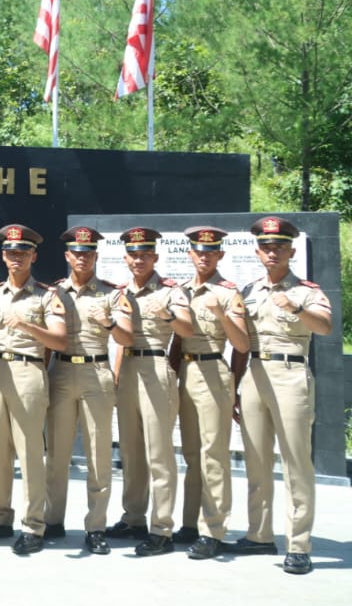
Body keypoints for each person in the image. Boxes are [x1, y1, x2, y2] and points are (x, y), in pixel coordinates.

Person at [232, 216, 332, 575]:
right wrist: (234, 385)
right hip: (255, 375)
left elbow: (325, 326)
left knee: (296, 464)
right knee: (256, 459)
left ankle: (299, 544)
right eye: (266, 246)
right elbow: (242, 345)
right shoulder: (249, 291)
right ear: (258, 251)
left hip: (291, 375)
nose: (272, 252)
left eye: (279, 246)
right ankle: (259, 535)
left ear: (291, 250)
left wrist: (298, 309)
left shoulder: (305, 290)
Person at [0, 224, 63, 555]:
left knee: (29, 453)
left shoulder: (48, 295)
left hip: (28, 370)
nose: (16, 258)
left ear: (34, 256)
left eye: (23, 252)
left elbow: (58, 340)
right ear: (3, 256)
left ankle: (33, 524)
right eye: (11, 252)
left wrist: (27, 325)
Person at [107, 226, 194, 557]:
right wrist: (116, 378)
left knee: (159, 453)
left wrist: (169, 315)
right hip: (128, 367)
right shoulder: (119, 293)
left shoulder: (170, 291)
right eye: (133, 254)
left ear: (155, 257)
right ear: (126, 258)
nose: (139, 259)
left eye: (145, 254)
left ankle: (162, 528)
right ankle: (133, 517)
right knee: (130, 450)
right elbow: (119, 341)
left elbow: (187, 329)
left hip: (156, 367)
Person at [43, 226, 130, 556]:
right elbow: (47, 342)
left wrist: (108, 322)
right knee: (57, 453)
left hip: (96, 371)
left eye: (88, 253)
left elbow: (125, 339)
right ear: (67, 256)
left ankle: (96, 526)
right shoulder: (53, 293)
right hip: (62, 371)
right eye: (76, 253)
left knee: (98, 454)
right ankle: (53, 519)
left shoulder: (111, 293)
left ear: (96, 256)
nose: (82, 258)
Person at [171, 226, 247, 560]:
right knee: (190, 454)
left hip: (215, 370)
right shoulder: (180, 290)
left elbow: (242, 344)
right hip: (186, 372)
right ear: (190, 254)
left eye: (210, 252)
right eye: (198, 251)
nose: (204, 257)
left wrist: (220, 314)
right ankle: (190, 523)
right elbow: (177, 340)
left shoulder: (229, 293)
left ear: (220, 255)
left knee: (213, 455)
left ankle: (213, 530)